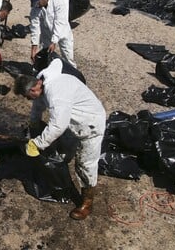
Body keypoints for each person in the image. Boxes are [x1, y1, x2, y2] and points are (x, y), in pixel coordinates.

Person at [14, 58, 106, 220]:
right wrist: (33, 126)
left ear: (34, 89)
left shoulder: (56, 94)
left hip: (90, 124)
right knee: (62, 151)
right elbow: (38, 106)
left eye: (27, 96)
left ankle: (87, 203)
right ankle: (62, 179)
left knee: (85, 164)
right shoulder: (42, 81)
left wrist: (37, 143)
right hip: (74, 121)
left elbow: (57, 125)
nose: (27, 100)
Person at [29, 0, 76, 68]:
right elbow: (34, 27)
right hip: (46, 34)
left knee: (68, 58)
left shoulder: (57, 1)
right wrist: (34, 46)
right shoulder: (35, 9)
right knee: (47, 57)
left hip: (62, 33)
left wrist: (54, 41)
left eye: (38, 3)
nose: (37, 6)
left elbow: (59, 22)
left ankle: (73, 74)